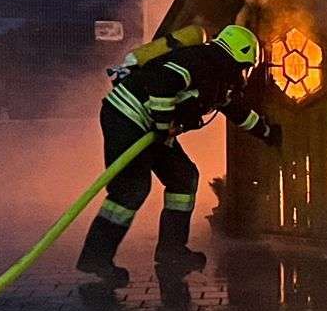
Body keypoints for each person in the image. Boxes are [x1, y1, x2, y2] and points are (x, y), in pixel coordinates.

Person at [77, 24, 284, 286]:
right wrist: (165, 127)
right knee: (130, 190)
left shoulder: (218, 78)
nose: (244, 73)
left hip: (152, 127)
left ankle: (172, 251)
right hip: (127, 116)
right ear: (236, 58)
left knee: (184, 178)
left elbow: (236, 111)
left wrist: (268, 132)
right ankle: (96, 257)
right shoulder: (200, 61)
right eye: (244, 66)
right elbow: (162, 83)